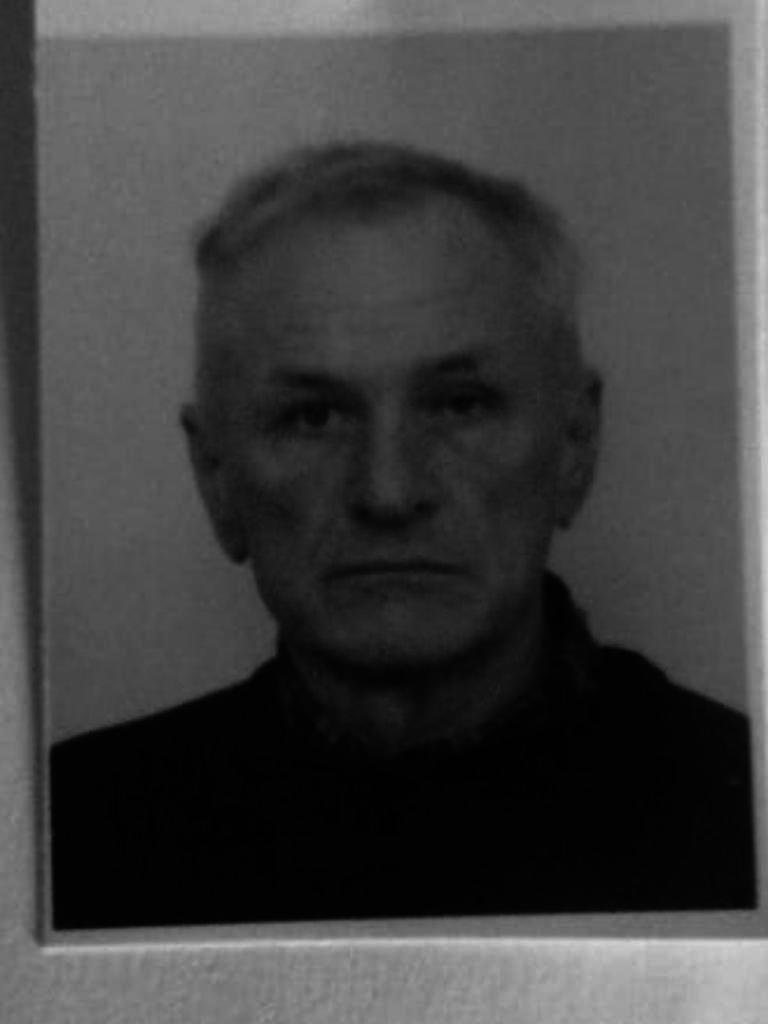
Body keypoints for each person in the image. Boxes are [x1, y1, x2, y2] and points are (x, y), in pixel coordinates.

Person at [50, 141, 756, 929]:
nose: (388, 492)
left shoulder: (740, 812)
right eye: (313, 417)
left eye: (460, 405)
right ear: (217, 477)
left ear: (573, 446)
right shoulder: (64, 839)